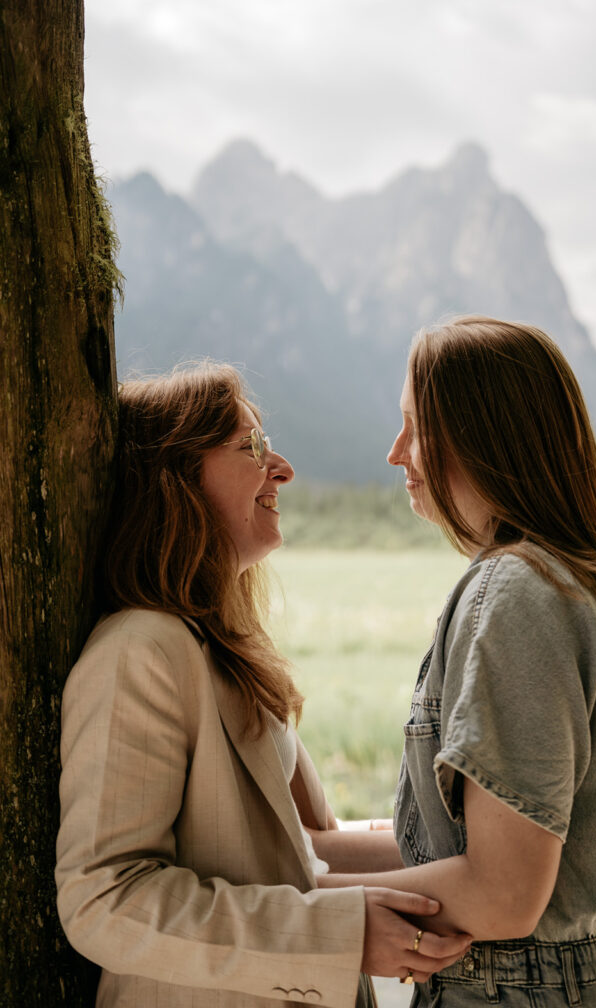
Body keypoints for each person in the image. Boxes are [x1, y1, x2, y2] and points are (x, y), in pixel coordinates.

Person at [55, 364, 471, 1008]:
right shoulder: (140, 652)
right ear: (174, 479)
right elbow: (105, 899)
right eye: (249, 445)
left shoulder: (214, 650)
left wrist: (489, 852)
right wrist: (339, 936)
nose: (281, 467)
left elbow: (302, 853)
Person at [313, 317, 596, 1006]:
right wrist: (278, 857)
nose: (393, 453)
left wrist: (295, 906)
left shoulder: (517, 593)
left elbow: (500, 894)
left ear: (482, 434)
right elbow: (451, 856)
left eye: (415, 427)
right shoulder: (569, 581)